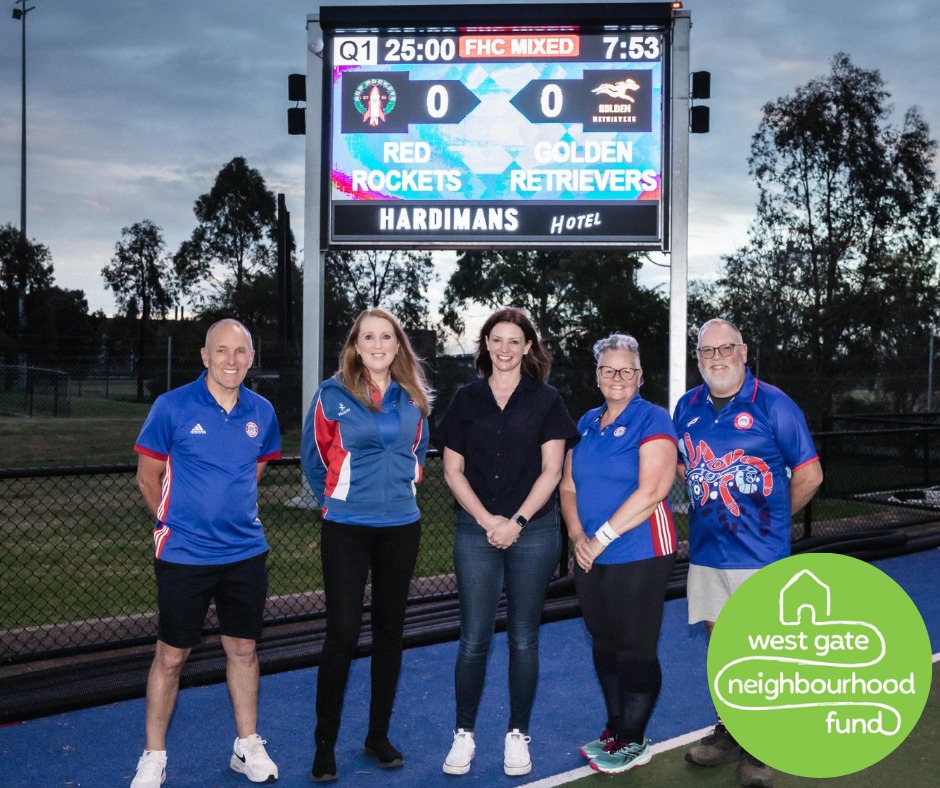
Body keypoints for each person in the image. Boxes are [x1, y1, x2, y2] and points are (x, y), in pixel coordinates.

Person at [130, 319, 281, 787]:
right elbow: (146, 476)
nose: (231, 360)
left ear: (251, 359)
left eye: (240, 351)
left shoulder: (263, 412)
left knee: (243, 649)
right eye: (222, 350)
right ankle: (154, 756)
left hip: (245, 552)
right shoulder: (171, 406)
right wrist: (174, 524)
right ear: (205, 355)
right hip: (184, 555)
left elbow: (254, 472)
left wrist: (227, 516)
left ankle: (246, 745)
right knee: (172, 656)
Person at [673, 318, 823, 788]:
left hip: (760, 556)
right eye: (707, 351)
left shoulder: (774, 404)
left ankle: (764, 739)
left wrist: (771, 519)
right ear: (697, 358)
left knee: (760, 648)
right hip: (708, 552)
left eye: (726, 349)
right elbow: (683, 467)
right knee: (723, 649)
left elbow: (810, 475)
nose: (716, 358)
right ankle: (734, 729)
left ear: (743, 352)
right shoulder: (687, 406)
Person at [435, 306, 579, 778]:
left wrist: (515, 520)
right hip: (475, 532)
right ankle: (464, 734)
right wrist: (486, 519)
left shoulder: (547, 400)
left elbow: (552, 471)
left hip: (533, 532)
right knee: (473, 640)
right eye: (496, 339)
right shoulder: (465, 399)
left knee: (523, 638)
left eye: (514, 341)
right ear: (486, 345)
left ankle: (517, 734)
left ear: (528, 347)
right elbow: (452, 470)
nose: (504, 348)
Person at [301, 308, 433, 783]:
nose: (377, 345)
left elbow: (418, 454)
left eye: (386, 337)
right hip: (347, 529)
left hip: (401, 526)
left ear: (398, 346)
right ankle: (325, 745)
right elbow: (314, 460)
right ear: (356, 345)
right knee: (341, 633)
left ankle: (377, 736)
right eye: (368, 337)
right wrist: (337, 504)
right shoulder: (330, 394)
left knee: (389, 633)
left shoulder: (412, 398)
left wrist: (403, 489)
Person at [559, 333, 678, 775]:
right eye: (608, 370)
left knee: (634, 645)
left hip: (641, 550)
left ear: (640, 376)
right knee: (604, 642)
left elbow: (653, 491)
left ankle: (633, 739)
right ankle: (615, 727)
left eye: (626, 370)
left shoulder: (654, 419)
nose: (617, 377)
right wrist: (576, 537)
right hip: (591, 554)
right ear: (597, 375)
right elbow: (568, 485)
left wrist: (600, 537)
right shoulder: (587, 422)